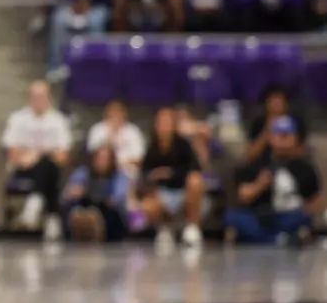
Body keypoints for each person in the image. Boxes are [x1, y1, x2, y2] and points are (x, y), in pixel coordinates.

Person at [225, 116, 320, 244]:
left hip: (288, 216)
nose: (283, 140)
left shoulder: (304, 168)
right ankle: (281, 239)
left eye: (287, 135)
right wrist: (260, 184)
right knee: (233, 217)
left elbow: (314, 201)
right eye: (279, 135)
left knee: (303, 219)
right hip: (259, 216)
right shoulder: (256, 164)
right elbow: (243, 196)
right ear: (270, 138)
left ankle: (269, 239)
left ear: (295, 138)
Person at [0, 80, 71, 232]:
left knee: (47, 165)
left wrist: (38, 154)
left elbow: (63, 157)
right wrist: (31, 157)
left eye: (42, 97)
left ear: (49, 98)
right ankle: (52, 216)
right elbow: (11, 153)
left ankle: (34, 204)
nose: (38, 101)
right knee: (45, 167)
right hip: (23, 167)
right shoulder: (17, 119)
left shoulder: (58, 121)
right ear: (29, 98)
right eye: (35, 97)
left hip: (50, 168)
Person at [137, 105, 205, 250]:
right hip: (162, 195)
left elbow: (195, 169)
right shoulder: (151, 148)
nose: (164, 127)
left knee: (196, 180)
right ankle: (165, 228)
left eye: (168, 122)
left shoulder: (184, 145)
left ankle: (192, 227)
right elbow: (145, 176)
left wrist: (170, 174)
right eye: (161, 122)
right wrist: (157, 176)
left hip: (183, 192)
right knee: (148, 203)